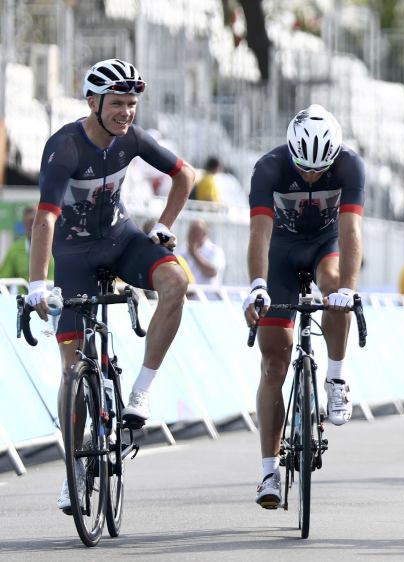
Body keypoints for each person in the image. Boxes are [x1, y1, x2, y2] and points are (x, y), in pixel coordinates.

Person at [26, 58, 194, 513]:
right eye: (117, 103)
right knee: (69, 369)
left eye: (132, 104)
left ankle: (140, 390)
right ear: (93, 103)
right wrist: (37, 283)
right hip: (75, 258)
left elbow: (186, 174)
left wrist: (163, 224)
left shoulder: (132, 140)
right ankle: (74, 469)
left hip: (121, 241)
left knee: (175, 280)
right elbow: (45, 218)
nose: (126, 112)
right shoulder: (64, 149)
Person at [243, 104, 364, 508]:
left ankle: (336, 379)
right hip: (280, 251)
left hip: (324, 246)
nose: (311, 176)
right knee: (274, 363)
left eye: (320, 170)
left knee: (334, 287)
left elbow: (351, 231)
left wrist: (348, 288)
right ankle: (268, 473)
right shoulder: (269, 167)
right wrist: (258, 286)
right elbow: (259, 233)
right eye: (304, 168)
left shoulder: (349, 166)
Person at [0, 207, 54, 282]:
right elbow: (3, 278)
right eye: (28, 223)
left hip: (51, 292)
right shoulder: (15, 248)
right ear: (24, 224)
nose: (32, 227)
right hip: (24, 293)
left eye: (34, 223)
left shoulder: (54, 246)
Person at [181, 219, 225, 286]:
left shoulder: (215, 251)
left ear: (205, 234)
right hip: (188, 295)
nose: (191, 236)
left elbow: (211, 272)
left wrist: (194, 254)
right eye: (190, 232)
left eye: (195, 233)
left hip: (207, 295)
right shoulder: (182, 249)